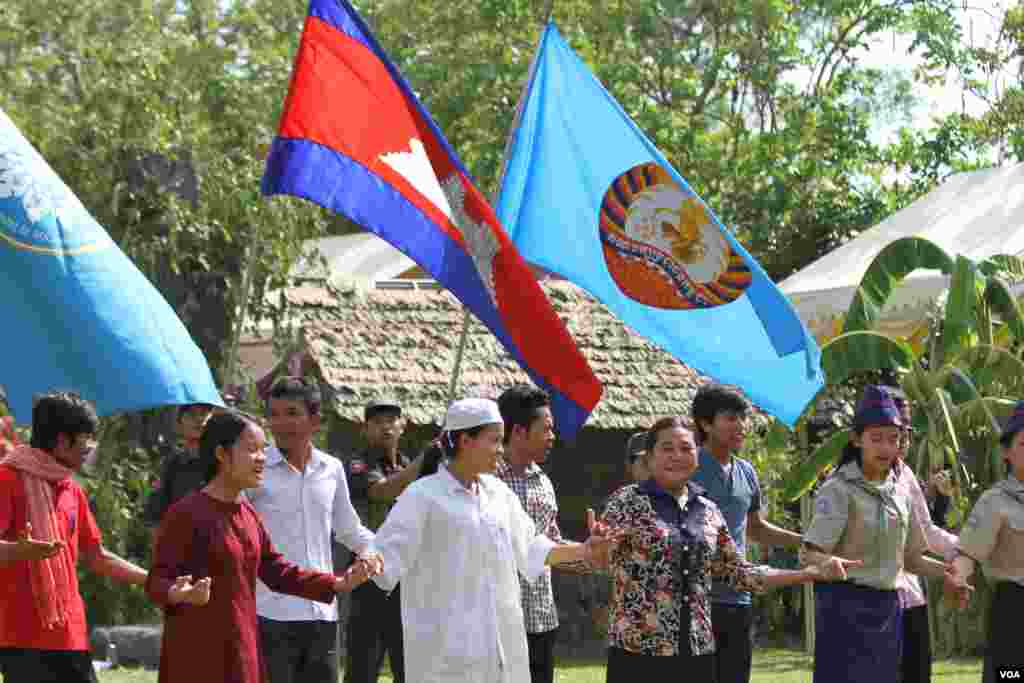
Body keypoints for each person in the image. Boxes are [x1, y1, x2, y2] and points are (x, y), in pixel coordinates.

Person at [356, 398, 619, 683]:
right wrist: (362, 567)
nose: (501, 450)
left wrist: (584, 549)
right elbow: (386, 555)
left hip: (498, 648)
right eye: (495, 440)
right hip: (444, 651)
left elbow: (533, 549)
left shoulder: (499, 495)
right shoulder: (422, 496)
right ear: (467, 441)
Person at [599, 416, 850, 680]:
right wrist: (592, 551)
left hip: (696, 654)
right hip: (637, 654)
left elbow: (741, 574)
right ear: (649, 458)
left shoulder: (708, 511)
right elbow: (597, 557)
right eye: (666, 448)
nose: (677, 456)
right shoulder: (626, 503)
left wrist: (810, 573)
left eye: (686, 448)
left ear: (697, 457)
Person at [146, 410, 380, 683]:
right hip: (198, 658)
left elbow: (276, 571)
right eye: (252, 450)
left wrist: (336, 584)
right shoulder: (185, 514)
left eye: (263, 450)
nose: (262, 459)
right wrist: (178, 593)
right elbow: (156, 581)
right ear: (222, 454)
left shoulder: (247, 513)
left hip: (243, 652)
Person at [802, 385, 950, 683]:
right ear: (857, 439)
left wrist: (949, 573)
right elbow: (809, 552)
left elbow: (910, 559)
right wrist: (826, 562)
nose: (886, 447)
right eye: (876, 438)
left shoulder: (901, 490)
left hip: (888, 609)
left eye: (894, 439)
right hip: (845, 607)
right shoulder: (839, 489)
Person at [0, 391, 151, 683]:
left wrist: (153, 578)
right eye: (84, 440)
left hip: (71, 636)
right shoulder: (7, 480)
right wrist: (19, 551)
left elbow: (97, 556)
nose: (90, 448)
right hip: (21, 641)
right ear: (61, 441)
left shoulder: (71, 489)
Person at [246, 377, 375, 683]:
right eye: (274, 415)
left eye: (292, 413)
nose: (281, 423)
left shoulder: (331, 469)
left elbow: (349, 528)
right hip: (268, 615)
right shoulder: (254, 470)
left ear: (314, 420)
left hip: (323, 615)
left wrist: (372, 552)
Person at [689, 384, 803, 683]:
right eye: (730, 418)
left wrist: (803, 541)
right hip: (695, 599)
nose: (740, 426)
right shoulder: (688, 468)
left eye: (743, 418)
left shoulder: (747, 472)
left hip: (738, 597)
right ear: (705, 424)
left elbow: (756, 528)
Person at [495, 384, 583, 683]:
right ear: (519, 431)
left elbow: (551, 544)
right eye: (546, 429)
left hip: (540, 614)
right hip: (495, 618)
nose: (552, 437)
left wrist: (593, 553)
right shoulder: (482, 478)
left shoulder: (543, 482)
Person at [345, 398, 424, 683]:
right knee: (363, 667)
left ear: (402, 426)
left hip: (409, 579)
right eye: (377, 422)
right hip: (371, 578)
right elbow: (380, 491)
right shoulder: (357, 464)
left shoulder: (407, 464)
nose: (386, 428)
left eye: (391, 421)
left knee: (411, 666)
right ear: (366, 429)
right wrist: (421, 465)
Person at [945, 400, 1024, 681]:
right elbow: (969, 553)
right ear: (1006, 452)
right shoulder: (995, 501)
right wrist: (958, 577)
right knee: (1010, 677)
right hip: (1015, 615)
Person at [889, 391, 958, 683]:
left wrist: (968, 549)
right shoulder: (845, 482)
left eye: (906, 428)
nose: (903, 436)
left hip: (911, 599)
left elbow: (926, 530)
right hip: (873, 601)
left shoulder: (905, 475)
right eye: (896, 428)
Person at [143, 402, 215, 541]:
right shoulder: (172, 464)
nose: (199, 420)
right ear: (179, 423)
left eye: (204, 414)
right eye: (192, 414)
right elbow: (154, 516)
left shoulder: (222, 464)